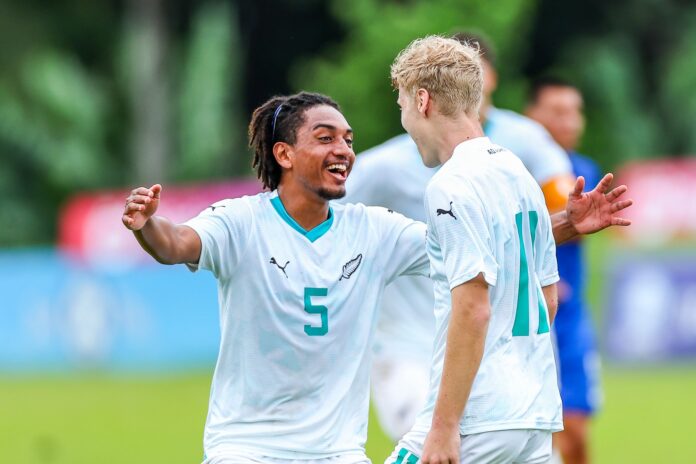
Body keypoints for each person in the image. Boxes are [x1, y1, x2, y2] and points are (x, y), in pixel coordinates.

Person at [121, 91, 630, 464]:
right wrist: (148, 226)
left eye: (348, 139)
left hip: (340, 452)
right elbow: (176, 244)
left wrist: (564, 223)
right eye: (325, 138)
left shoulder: (374, 230)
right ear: (283, 154)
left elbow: (476, 243)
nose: (344, 149)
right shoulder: (238, 221)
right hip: (246, 447)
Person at [343, 32, 575, 443]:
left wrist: (445, 425)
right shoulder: (518, 172)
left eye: (402, 107)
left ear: (422, 102)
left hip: (476, 417)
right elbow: (548, 298)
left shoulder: (451, 185)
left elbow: (473, 309)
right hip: (532, 413)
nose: (405, 122)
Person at [525, 77, 603, 464]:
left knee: (575, 433)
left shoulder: (585, 173)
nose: (570, 121)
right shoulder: (514, 173)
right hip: (526, 316)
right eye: (558, 112)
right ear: (530, 118)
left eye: (575, 112)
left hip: (570, 320)